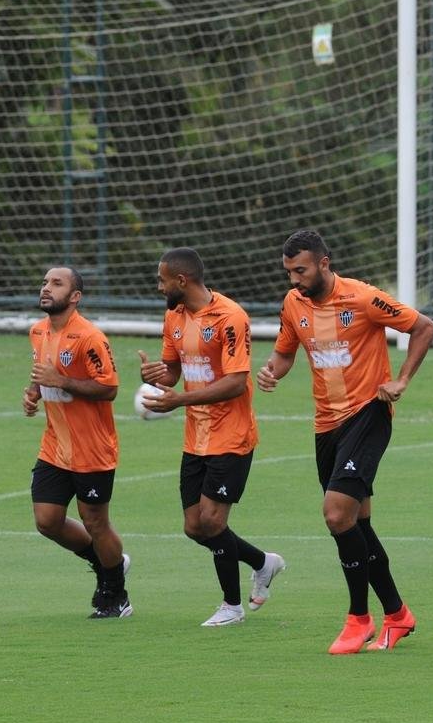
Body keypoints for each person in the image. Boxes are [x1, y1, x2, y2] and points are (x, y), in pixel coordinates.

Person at [256, 230, 433, 653]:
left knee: (337, 515)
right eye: (288, 272)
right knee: (358, 525)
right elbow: (285, 352)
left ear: (323, 262)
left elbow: (424, 327)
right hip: (326, 425)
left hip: (368, 413)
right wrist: (272, 371)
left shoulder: (363, 298)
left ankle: (359, 619)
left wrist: (402, 379)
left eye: (300, 270)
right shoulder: (292, 304)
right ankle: (398, 614)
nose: (294, 279)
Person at [137, 248, 285, 626]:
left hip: (232, 436)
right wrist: (157, 376)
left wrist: (179, 399)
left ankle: (232, 607)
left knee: (213, 522)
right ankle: (262, 563)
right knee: (193, 526)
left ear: (181, 281)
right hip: (196, 437)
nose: (159, 286)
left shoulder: (230, 317)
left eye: (162, 280)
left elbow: (236, 383)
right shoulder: (173, 315)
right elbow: (173, 371)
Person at [24, 266, 130, 619]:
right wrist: (34, 393)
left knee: (95, 523)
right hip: (55, 445)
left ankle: (116, 594)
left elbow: (109, 388)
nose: (46, 288)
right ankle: (107, 565)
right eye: (44, 282)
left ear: (75, 297)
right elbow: (42, 371)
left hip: (93, 449)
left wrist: (63, 381)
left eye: (56, 284)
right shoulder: (37, 332)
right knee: (47, 520)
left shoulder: (90, 337)